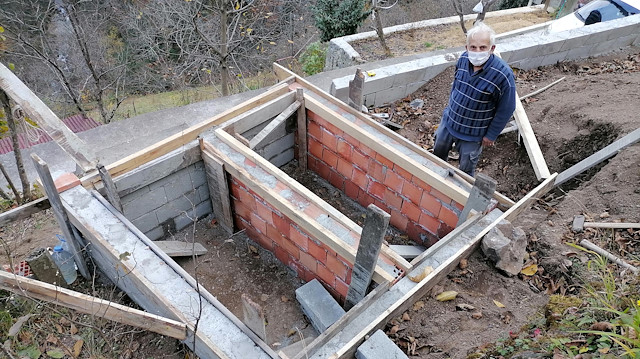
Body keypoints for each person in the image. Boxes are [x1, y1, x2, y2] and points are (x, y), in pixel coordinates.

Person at [433, 21, 516, 177]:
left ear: (492, 49)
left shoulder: (503, 75)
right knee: (437, 155)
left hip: (473, 134)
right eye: (473, 47)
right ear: (467, 48)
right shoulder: (463, 59)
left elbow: (507, 108)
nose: (477, 52)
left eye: (482, 48)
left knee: (465, 170)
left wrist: (491, 135)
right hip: (450, 122)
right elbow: (456, 85)